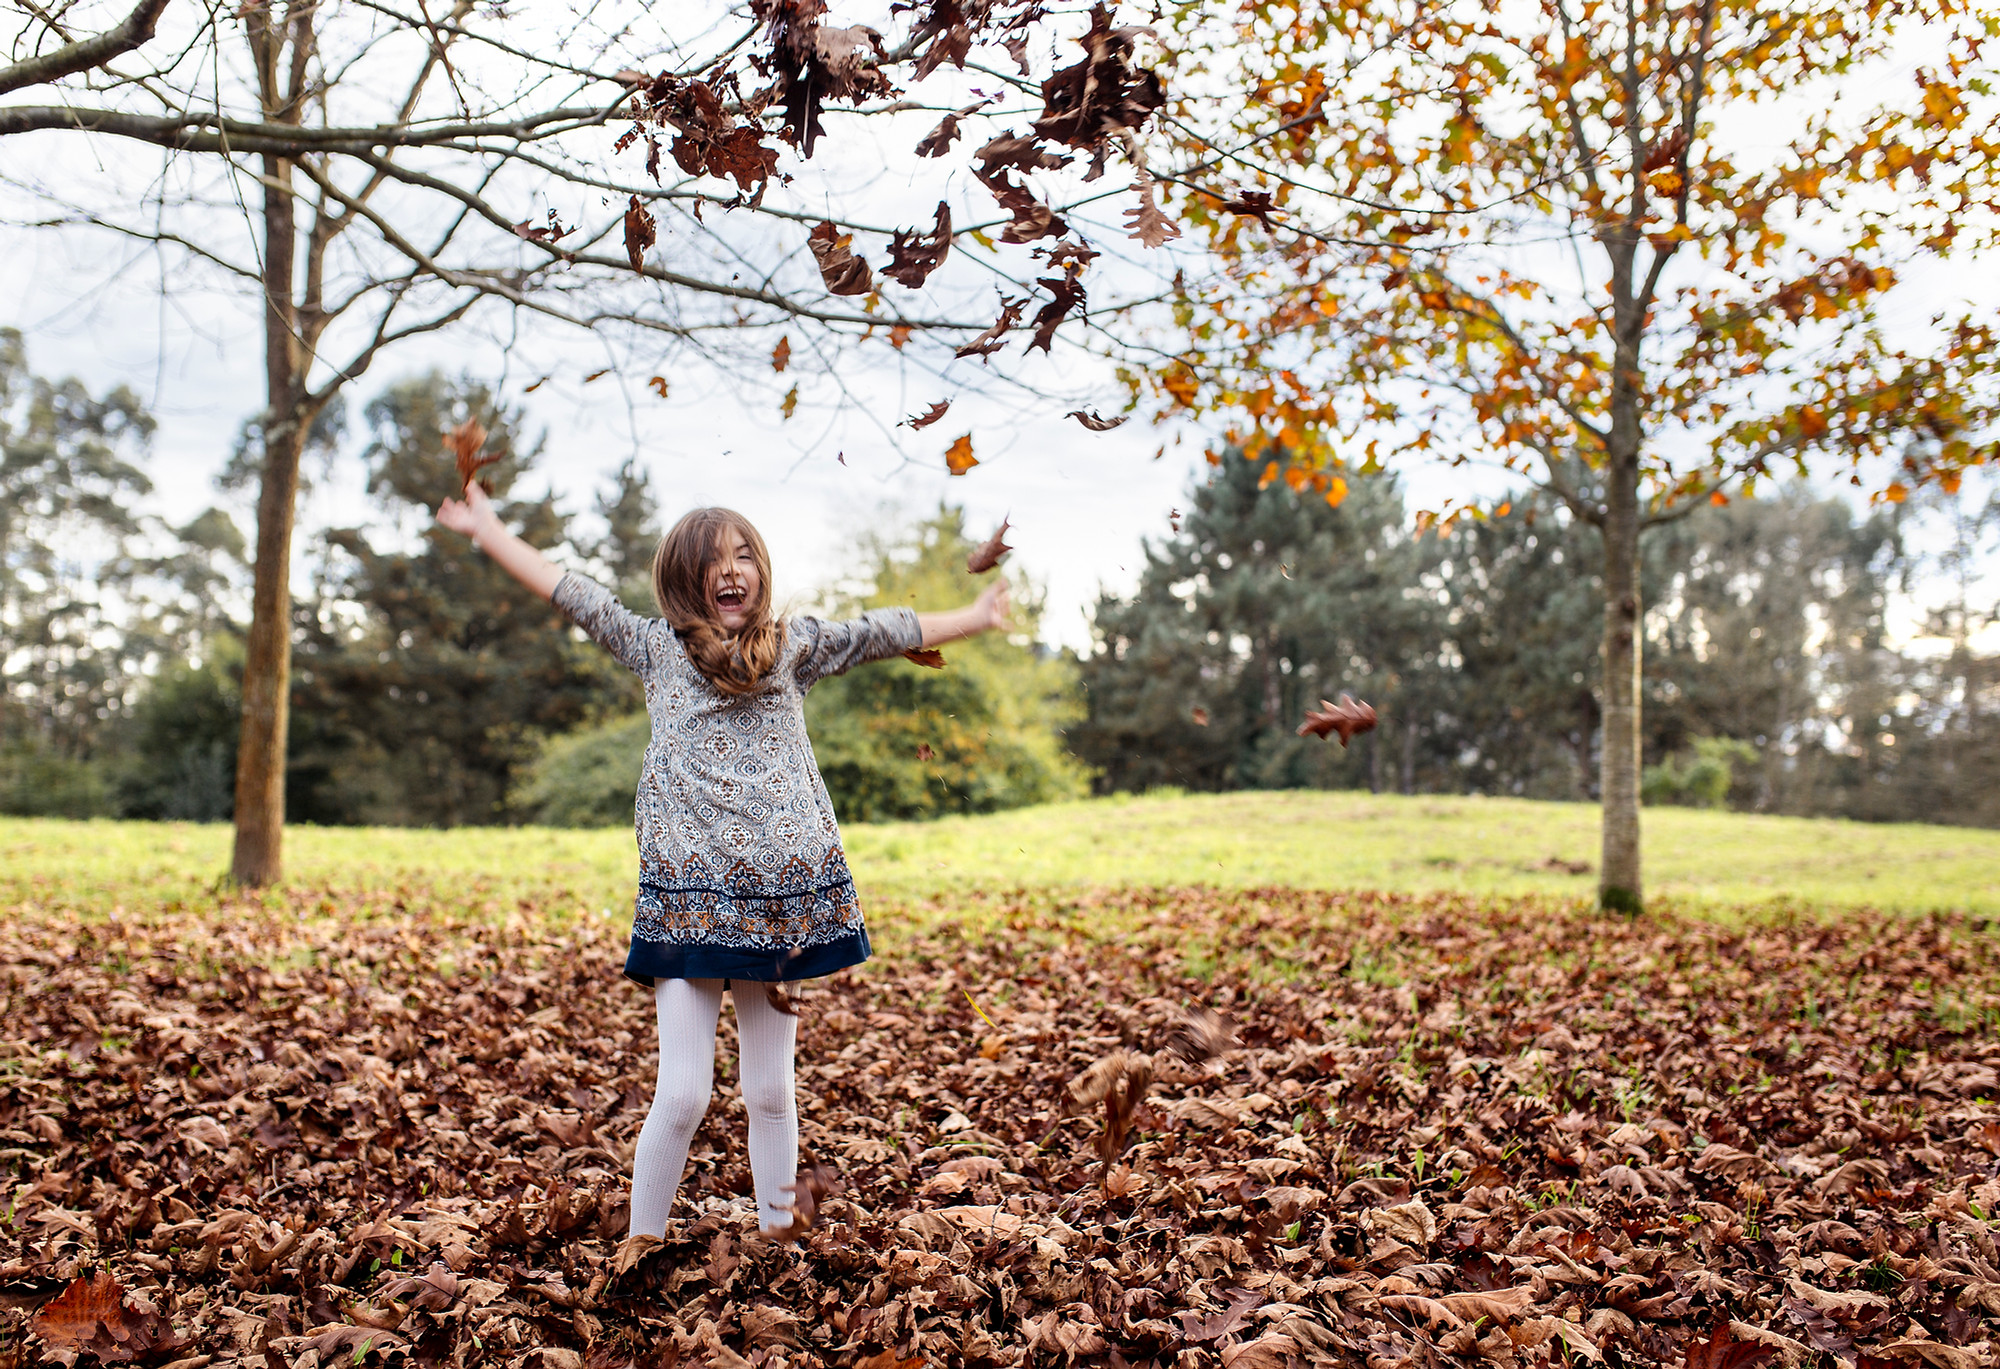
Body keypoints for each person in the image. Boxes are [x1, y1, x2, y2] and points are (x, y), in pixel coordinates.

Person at [434, 483, 1009, 1236]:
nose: (732, 570)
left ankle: (777, 1241)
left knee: (770, 1090)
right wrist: (489, 530)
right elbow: (569, 590)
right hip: (687, 902)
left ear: (761, 572)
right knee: (683, 1093)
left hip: (781, 904)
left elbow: (884, 629)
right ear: (685, 580)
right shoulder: (655, 649)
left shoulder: (793, 649)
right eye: (713, 561)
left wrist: (974, 616)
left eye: (744, 556)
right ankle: (640, 1246)